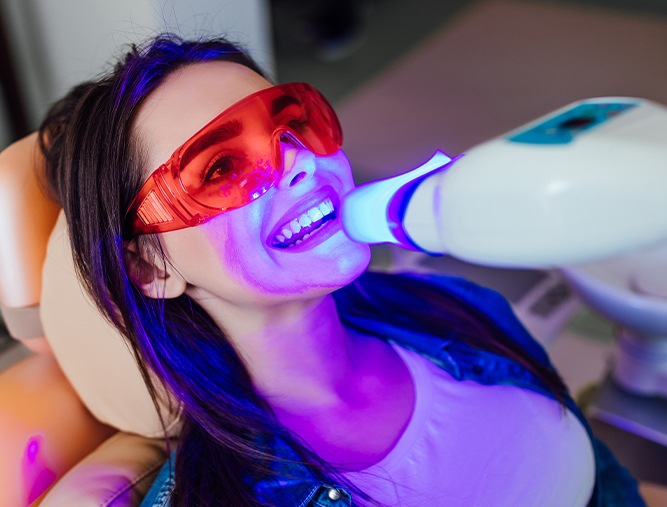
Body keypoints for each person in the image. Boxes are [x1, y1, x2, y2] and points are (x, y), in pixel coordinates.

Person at [38, 34, 644, 506]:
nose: (299, 163)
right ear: (151, 268)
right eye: (222, 168)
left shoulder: (456, 304)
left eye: (292, 123)